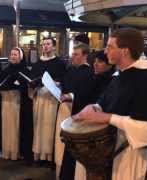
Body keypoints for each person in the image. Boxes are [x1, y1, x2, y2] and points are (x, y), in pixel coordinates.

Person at [72, 28, 147, 180]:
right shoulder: (121, 74)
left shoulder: (146, 80)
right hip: (112, 152)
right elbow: (106, 100)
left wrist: (107, 118)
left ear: (125, 51)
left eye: (110, 47)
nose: (105, 51)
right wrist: (95, 107)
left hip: (131, 159)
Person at [59, 43, 95, 180]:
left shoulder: (89, 72)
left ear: (85, 56)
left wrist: (71, 96)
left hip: (77, 114)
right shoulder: (71, 70)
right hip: (64, 110)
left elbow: (86, 93)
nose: (72, 57)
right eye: (72, 54)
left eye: (76, 54)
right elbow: (65, 84)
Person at [30, 37, 67, 164]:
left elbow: (64, 80)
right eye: (44, 44)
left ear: (54, 46)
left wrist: (56, 83)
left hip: (52, 99)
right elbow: (32, 80)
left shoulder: (59, 63)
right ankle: (39, 154)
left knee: (49, 128)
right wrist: (33, 84)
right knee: (39, 127)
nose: (45, 46)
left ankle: (50, 156)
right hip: (39, 98)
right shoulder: (37, 64)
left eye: (48, 44)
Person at [0, 47, 33, 161]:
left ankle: (17, 152)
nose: (13, 56)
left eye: (15, 54)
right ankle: (7, 151)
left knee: (17, 127)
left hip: (19, 103)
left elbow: (28, 86)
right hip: (6, 102)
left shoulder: (26, 70)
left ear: (21, 57)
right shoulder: (6, 69)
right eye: (12, 54)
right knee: (7, 126)